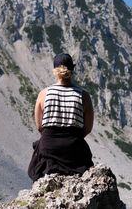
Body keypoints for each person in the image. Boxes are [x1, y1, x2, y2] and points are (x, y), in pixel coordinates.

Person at [28, 53, 94, 181]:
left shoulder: (44, 94)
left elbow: (39, 125)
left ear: (54, 71)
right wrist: (72, 138)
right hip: (73, 149)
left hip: (49, 147)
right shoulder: (83, 95)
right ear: (72, 70)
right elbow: (88, 128)